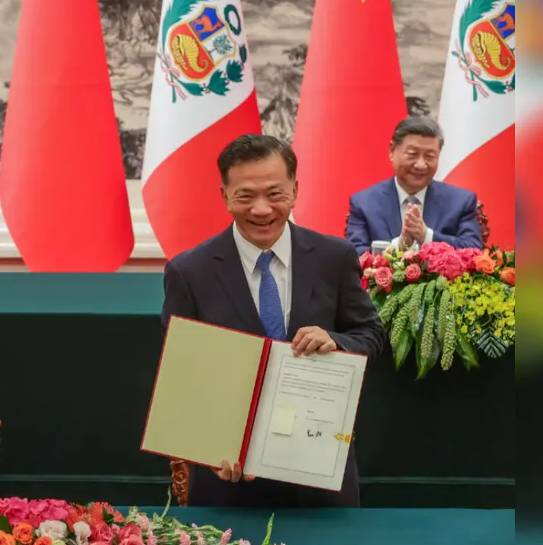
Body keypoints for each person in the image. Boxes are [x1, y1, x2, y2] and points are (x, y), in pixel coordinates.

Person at [161, 134, 385, 508]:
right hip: (229, 480)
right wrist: (207, 446)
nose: (262, 209)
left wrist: (336, 341)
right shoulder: (189, 272)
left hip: (319, 472)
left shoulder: (334, 257)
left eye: (275, 193)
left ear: (295, 190)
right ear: (224, 195)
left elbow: (371, 335)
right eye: (245, 196)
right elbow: (182, 372)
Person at [346, 116, 483, 255]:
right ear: (392, 151)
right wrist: (398, 246)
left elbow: (473, 252)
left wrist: (427, 236)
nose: (421, 165)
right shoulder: (364, 203)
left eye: (430, 156)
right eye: (412, 154)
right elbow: (354, 255)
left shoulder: (460, 202)